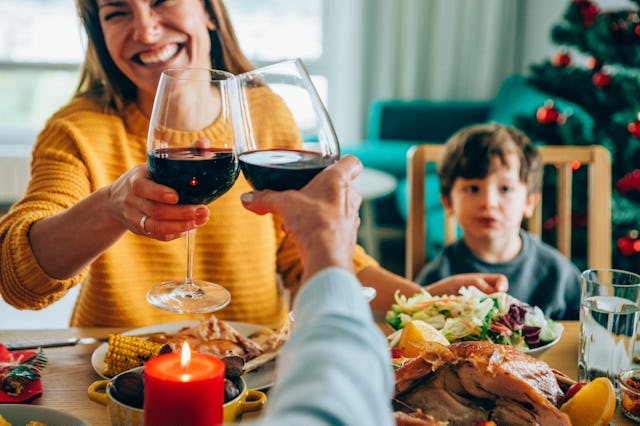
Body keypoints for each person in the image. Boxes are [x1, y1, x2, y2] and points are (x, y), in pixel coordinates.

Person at [0, 0, 505, 328]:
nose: (146, 29)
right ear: (99, 34)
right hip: (120, 377)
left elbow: (310, 254)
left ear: (209, 12)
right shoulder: (77, 129)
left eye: (161, 1)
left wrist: (425, 304)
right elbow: (15, 277)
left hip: (257, 371)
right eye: (116, 12)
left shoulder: (264, 113)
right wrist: (111, 208)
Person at [242, 155, 394, 425]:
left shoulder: (269, 115)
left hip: (264, 383)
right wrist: (324, 241)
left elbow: (297, 254)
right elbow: (342, 399)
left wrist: (425, 299)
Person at [416, 123, 581, 320]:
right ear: (447, 202)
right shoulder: (439, 277)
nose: (489, 203)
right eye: (473, 189)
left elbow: (597, 333)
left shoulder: (558, 273)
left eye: (505, 189)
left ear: (529, 202)